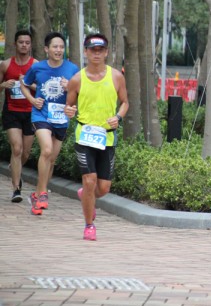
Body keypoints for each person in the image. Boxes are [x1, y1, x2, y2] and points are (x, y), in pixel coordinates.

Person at [64, 33, 129, 241]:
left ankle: (86, 196)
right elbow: (68, 106)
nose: (97, 54)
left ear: (106, 52)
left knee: (103, 188)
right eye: (93, 50)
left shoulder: (116, 76)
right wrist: (69, 111)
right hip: (84, 137)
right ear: (86, 52)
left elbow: (125, 102)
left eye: (100, 50)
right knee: (89, 180)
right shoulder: (77, 79)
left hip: (106, 137)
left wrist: (118, 117)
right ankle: (89, 225)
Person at [21, 32, 79, 215]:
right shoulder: (38, 67)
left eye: (61, 47)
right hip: (41, 115)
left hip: (61, 118)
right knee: (46, 150)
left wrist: (70, 87)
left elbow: (81, 92)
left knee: (51, 159)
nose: (58, 50)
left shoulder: (72, 69)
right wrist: (32, 100)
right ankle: (43, 193)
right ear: (47, 49)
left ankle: (37, 195)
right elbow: (23, 84)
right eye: (55, 46)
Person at [0, 30, 37, 203]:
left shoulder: (36, 65)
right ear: (15, 44)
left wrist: (28, 84)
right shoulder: (6, 65)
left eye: (27, 42)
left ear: (31, 45)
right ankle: (16, 188)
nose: (24, 45)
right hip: (11, 111)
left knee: (25, 152)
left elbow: (42, 88)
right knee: (16, 148)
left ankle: (16, 168)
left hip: (31, 112)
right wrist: (4, 85)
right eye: (21, 42)